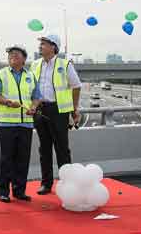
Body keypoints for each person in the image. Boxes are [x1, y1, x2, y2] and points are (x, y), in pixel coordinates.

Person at [0, 45, 41, 203]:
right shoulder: (1, 74)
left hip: (26, 124)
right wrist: (6, 102)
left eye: (16, 54)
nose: (12, 56)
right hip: (7, 124)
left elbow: (36, 97)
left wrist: (33, 107)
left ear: (24, 59)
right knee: (6, 158)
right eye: (10, 54)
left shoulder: (31, 76)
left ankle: (19, 191)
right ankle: (3, 191)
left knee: (22, 159)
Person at [31, 34, 82, 195]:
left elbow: (76, 86)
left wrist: (74, 109)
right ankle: (46, 184)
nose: (40, 46)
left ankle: (68, 183)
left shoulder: (65, 64)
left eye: (44, 44)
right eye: (40, 44)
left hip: (59, 111)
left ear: (54, 47)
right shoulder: (35, 64)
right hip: (40, 110)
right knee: (44, 148)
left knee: (62, 148)